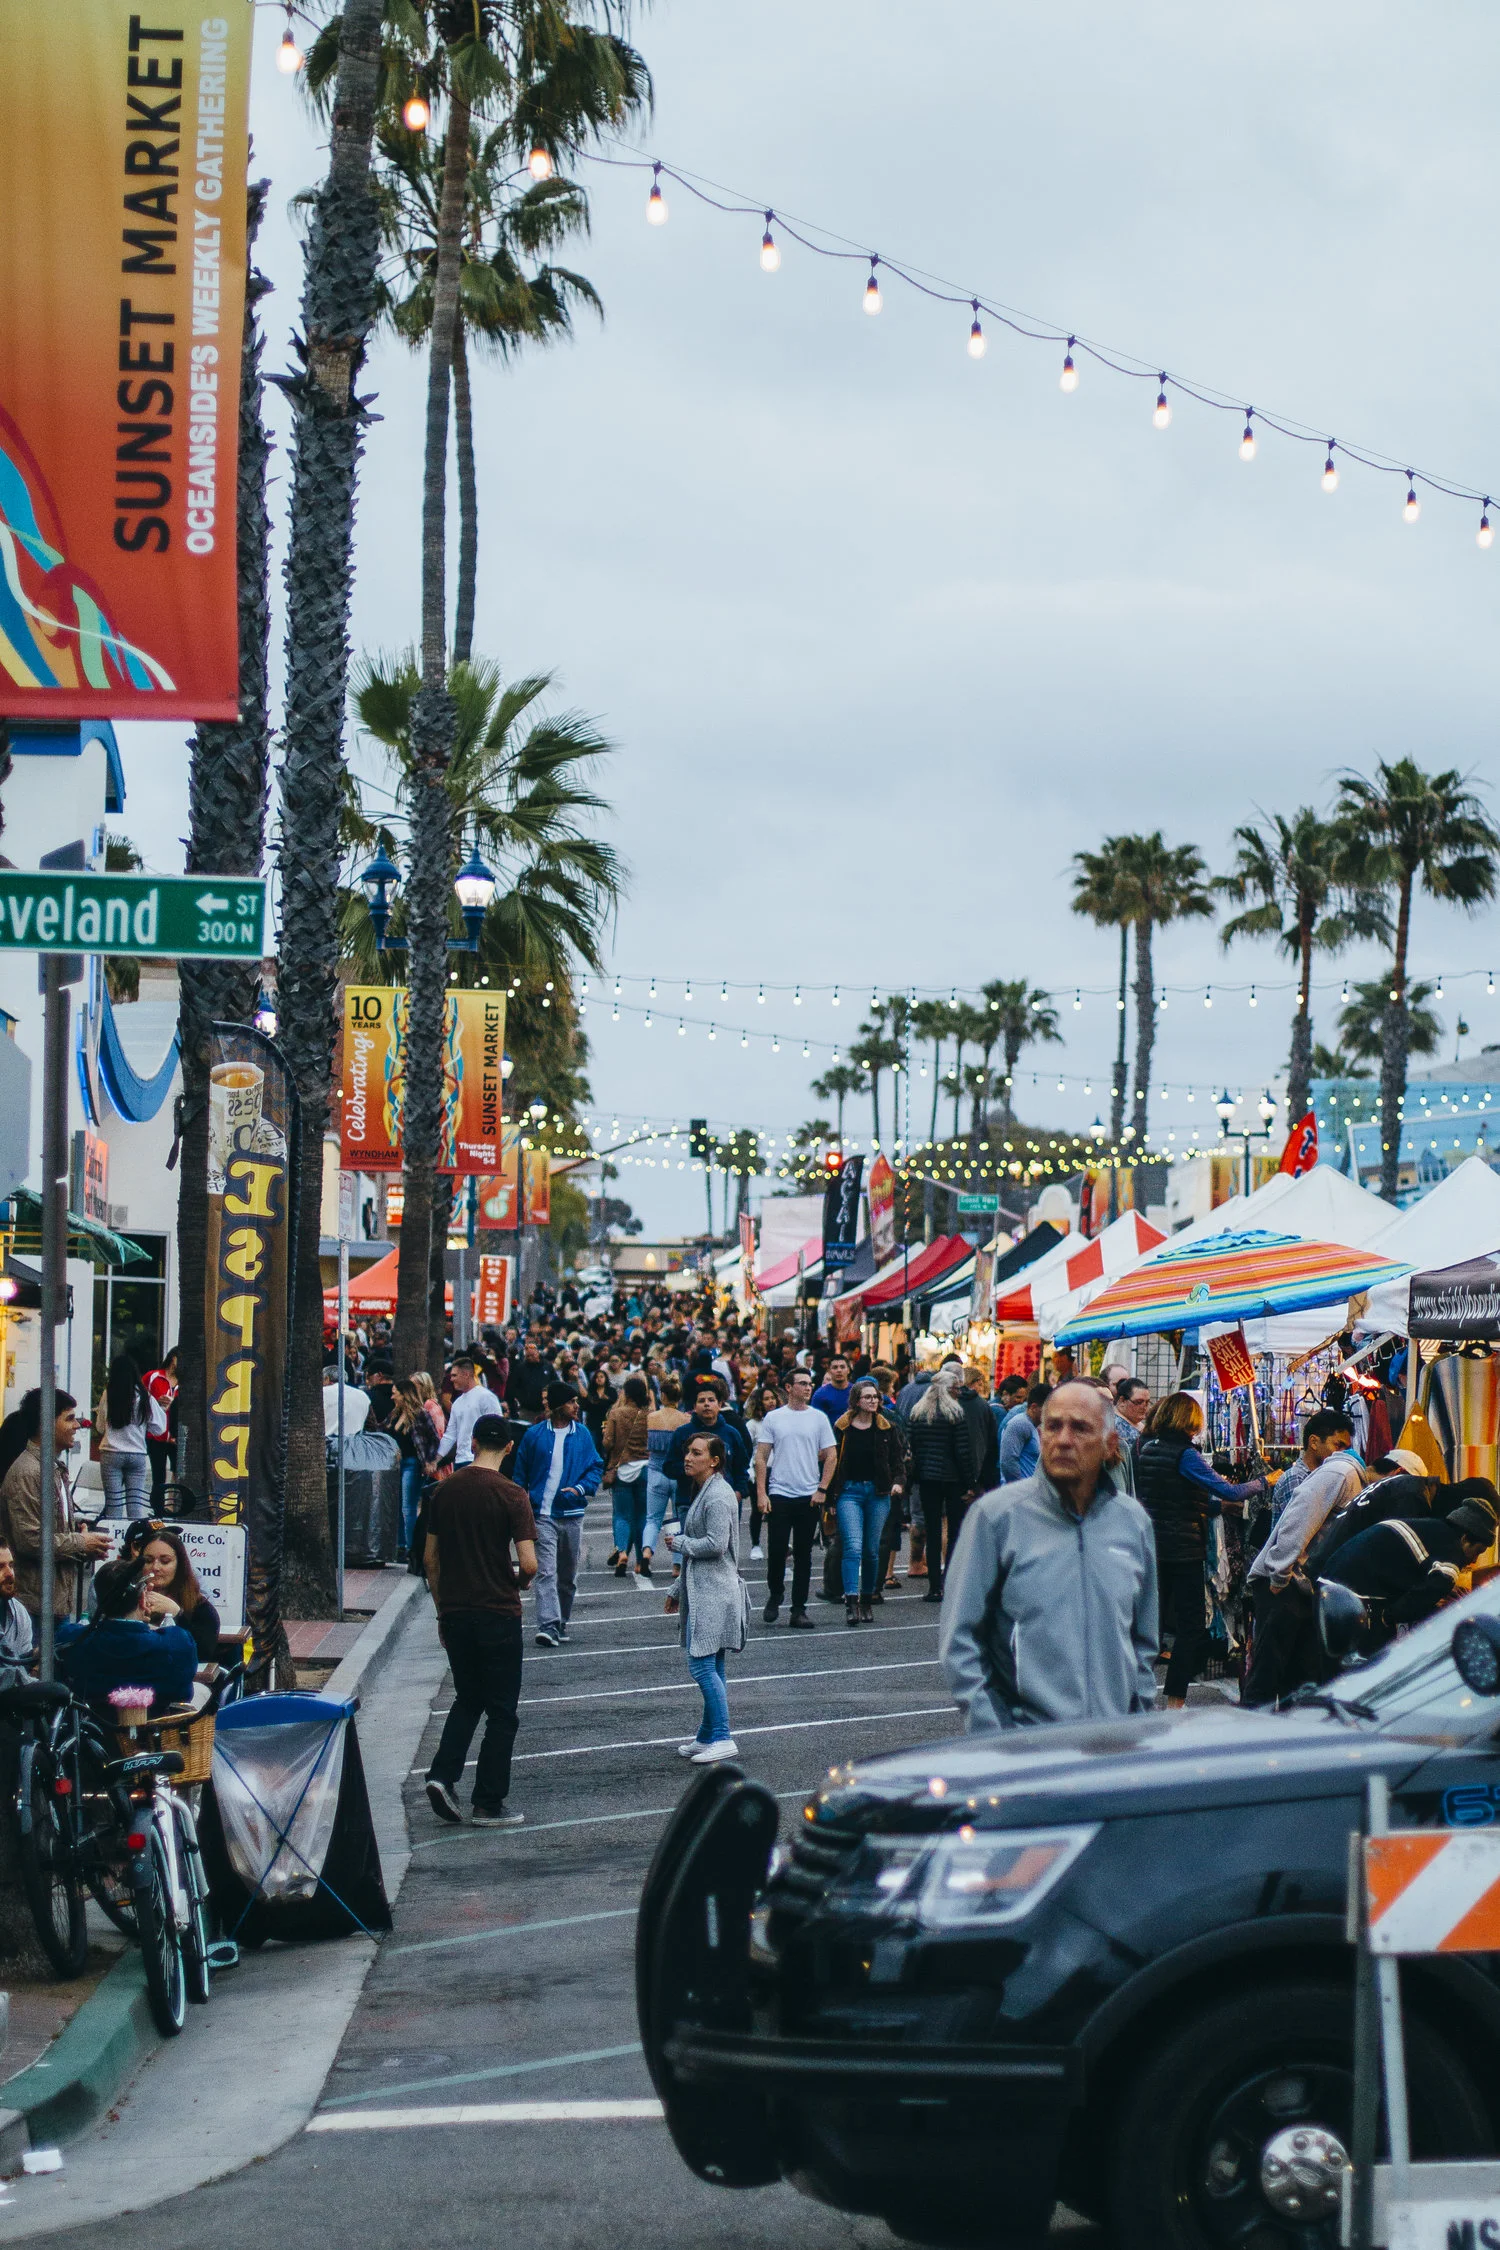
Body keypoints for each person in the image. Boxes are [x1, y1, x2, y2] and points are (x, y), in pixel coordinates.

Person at [939, 1380, 1159, 1731]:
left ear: (1110, 1445)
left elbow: (1144, 1641)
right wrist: (997, 1735)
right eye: (1053, 1426)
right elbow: (961, 1641)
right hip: (1029, 1752)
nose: (1064, 1439)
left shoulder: (1132, 1523)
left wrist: (1137, 1719)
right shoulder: (996, 1518)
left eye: (1081, 1428)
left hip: (1112, 1749)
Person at [424, 1414, 537, 1827]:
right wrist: (517, 1581)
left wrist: (441, 1608)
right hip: (497, 1612)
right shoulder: (512, 1495)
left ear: (472, 1443)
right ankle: (488, 1801)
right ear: (509, 1448)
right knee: (502, 1711)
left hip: (455, 1610)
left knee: (468, 1698)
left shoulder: (443, 1492)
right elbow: (529, 1562)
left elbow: (429, 1560)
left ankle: (442, 1775)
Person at [1134, 1392, 1267, 1708]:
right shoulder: (1186, 1455)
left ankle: (1132, 1693)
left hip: (1154, 1546)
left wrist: (1216, 1507)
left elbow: (1170, 1497)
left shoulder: (1148, 1449)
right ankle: (1175, 1702)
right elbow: (1230, 1489)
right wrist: (1266, 1480)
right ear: (1187, 1420)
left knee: (1149, 1625)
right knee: (1191, 1627)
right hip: (1183, 1550)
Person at [1242, 1446, 1370, 1707]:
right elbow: (1297, 1520)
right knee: (1270, 1673)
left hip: (1300, 1585)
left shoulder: (1344, 1475)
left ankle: (1284, 1737)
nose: (1338, 1447)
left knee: (1297, 1676)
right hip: (1287, 1583)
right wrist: (1280, 1573)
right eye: (1337, 1441)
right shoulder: (1340, 1473)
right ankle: (1251, 1738)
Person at [663, 1432, 746, 1764]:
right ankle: (707, 1737)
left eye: (696, 1453)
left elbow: (715, 1544)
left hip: (715, 1592)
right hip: (709, 1589)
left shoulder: (718, 1495)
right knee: (714, 1665)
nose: (687, 1457)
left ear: (714, 1460)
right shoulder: (705, 1490)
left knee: (700, 1666)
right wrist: (674, 1590)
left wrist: (680, 1543)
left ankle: (723, 1737)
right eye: (687, 1451)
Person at [1321, 1497, 1498, 1648]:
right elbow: (1412, 1605)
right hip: (1353, 1595)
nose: (1474, 1560)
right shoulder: (1450, 1562)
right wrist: (1386, 1619)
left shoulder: (1430, 1529)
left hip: (1330, 1580)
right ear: (1465, 1538)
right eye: (1477, 1551)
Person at [0, 1389, 108, 1628]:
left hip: (52, 1603)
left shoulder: (52, 1468)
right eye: (68, 1418)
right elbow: (30, 1540)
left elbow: (53, 1533)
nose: (77, 1425)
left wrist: (83, 1544)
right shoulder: (28, 1473)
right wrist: (81, 1542)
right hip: (33, 1607)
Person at [513, 1383, 602, 1649]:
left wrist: (580, 1488)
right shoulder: (534, 1435)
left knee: (567, 1575)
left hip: (572, 1514)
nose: (577, 1406)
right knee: (546, 1571)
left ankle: (561, 1620)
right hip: (542, 1515)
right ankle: (548, 1624)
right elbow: (521, 1473)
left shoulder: (583, 1434)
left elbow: (596, 1466)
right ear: (557, 1405)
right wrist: (521, 1504)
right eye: (571, 1401)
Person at [907, 1358, 997, 1601]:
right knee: (955, 1531)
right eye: (956, 1388)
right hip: (953, 1478)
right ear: (948, 1389)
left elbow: (912, 1448)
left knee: (933, 1531)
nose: (959, 1391)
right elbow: (962, 1452)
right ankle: (951, 1583)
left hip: (927, 1479)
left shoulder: (919, 1412)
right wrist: (971, 1483)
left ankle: (934, 1586)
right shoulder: (954, 1413)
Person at [57, 1555, 198, 1709]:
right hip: (157, 1729)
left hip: (92, 1726)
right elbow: (185, 1692)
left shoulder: (72, 1639)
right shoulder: (177, 1642)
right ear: (143, 1599)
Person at [754, 1369, 835, 1630]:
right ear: (788, 1388)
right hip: (780, 1493)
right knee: (777, 1550)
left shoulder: (818, 1418)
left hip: (808, 1495)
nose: (807, 1387)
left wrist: (822, 1488)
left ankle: (799, 1609)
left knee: (804, 1554)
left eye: (810, 1383)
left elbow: (831, 1455)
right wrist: (761, 1493)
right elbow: (762, 1457)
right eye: (802, 1383)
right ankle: (775, 1592)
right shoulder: (774, 1418)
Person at [828, 1376, 907, 1624]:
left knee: (872, 1550)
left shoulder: (887, 1428)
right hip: (848, 1492)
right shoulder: (842, 1427)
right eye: (868, 1397)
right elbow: (831, 1463)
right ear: (857, 1401)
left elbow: (899, 1461)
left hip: (878, 1493)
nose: (873, 1401)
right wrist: (829, 1495)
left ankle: (867, 1598)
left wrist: (898, 1482)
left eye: (876, 1397)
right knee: (852, 1546)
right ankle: (850, 1601)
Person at [127, 1522, 222, 1660]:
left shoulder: (202, 1609)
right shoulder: (127, 1598)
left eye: (165, 1561)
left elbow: (203, 1653)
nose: (156, 1567)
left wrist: (177, 1614)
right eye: (148, 1560)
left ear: (180, 1565)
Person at [664, 1383, 751, 1515]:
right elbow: (668, 1467)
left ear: (720, 1404)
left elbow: (742, 1467)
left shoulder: (732, 1433)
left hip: (725, 1503)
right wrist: (694, 1467)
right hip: (689, 1504)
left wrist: (739, 1492)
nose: (706, 1404)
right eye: (701, 1401)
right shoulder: (682, 1433)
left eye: (711, 1400)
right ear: (694, 1407)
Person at [1268, 1410, 1356, 1525]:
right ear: (1314, 1442)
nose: (1343, 1453)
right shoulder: (1297, 1479)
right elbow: (1299, 1530)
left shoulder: (1325, 1477)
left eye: (1347, 1448)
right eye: (1338, 1446)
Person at [602, 1376, 652, 1577]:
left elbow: (608, 1443)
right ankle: (640, 1561)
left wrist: (605, 1433)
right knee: (642, 1516)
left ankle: (622, 1552)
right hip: (645, 1466)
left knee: (622, 1515)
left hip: (622, 1468)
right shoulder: (649, 1415)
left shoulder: (616, 1414)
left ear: (627, 1393)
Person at [642, 1373, 690, 1579]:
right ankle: (677, 1565)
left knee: (652, 1518)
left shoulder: (651, 1418)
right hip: (678, 1474)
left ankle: (646, 1551)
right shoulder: (685, 1419)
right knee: (679, 1519)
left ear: (662, 1395)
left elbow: (647, 1447)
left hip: (655, 1470)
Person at [96, 1352, 152, 1520]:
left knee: (113, 1506)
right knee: (135, 1507)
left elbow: (99, 1427)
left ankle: (113, 1543)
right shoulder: (143, 1395)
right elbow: (159, 1426)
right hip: (137, 1454)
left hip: (111, 1452)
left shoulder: (109, 1393)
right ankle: (135, 1543)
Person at [436, 1354, 500, 1471]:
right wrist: (436, 1458)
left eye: (454, 1375)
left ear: (466, 1374)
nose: (451, 1379)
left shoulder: (486, 1397)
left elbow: (497, 1428)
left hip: (481, 1461)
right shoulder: (457, 1403)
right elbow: (450, 1435)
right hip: (460, 1461)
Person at [143, 1347, 177, 1509]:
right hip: (156, 1435)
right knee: (158, 1475)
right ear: (173, 1358)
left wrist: (174, 1404)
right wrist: (156, 1403)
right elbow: (140, 1398)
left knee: (178, 1472)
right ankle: (158, 1510)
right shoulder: (153, 1377)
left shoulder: (186, 1382)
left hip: (175, 1436)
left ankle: (173, 1506)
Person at [999, 1382, 1050, 1484]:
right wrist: (1020, 1490)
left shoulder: (1035, 1426)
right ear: (1034, 1407)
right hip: (1017, 1495)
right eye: (1047, 1409)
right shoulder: (1020, 1424)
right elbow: (1008, 1462)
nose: (1050, 1414)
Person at [0, 1544, 33, 1687]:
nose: (9, 1574)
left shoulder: (19, 1613)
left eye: (11, 1565)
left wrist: (34, 1657)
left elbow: (23, 1668)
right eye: (0, 1567)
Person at [505, 1335, 550, 1424]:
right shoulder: (520, 1369)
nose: (531, 1357)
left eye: (533, 1355)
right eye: (528, 1355)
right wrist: (513, 1411)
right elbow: (510, 1390)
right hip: (526, 1411)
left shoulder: (547, 1367)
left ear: (537, 1352)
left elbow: (554, 1384)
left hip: (544, 1410)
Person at [323, 1355, 369, 1438]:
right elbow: (370, 1424)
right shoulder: (363, 1395)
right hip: (355, 1444)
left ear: (326, 1379)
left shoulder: (322, 1393)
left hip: (327, 1443)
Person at [1112, 1378, 1150, 1464]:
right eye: (1139, 1402)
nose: (1144, 1407)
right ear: (1122, 1401)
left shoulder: (1134, 1422)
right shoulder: (1118, 1427)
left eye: (1147, 1402)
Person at [811, 1355, 854, 1424]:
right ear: (829, 1371)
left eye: (842, 1367)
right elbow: (815, 1421)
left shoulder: (857, 1392)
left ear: (848, 1370)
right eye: (835, 1367)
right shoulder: (820, 1394)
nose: (839, 1370)